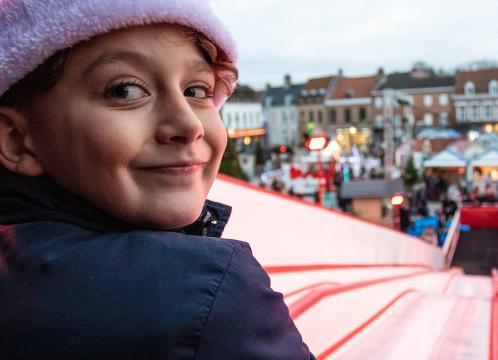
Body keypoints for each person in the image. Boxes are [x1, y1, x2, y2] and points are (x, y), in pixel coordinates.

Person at [0, 1, 315, 359]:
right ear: (16, 139)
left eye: (197, 91)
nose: (190, 125)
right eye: (125, 91)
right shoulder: (208, 295)